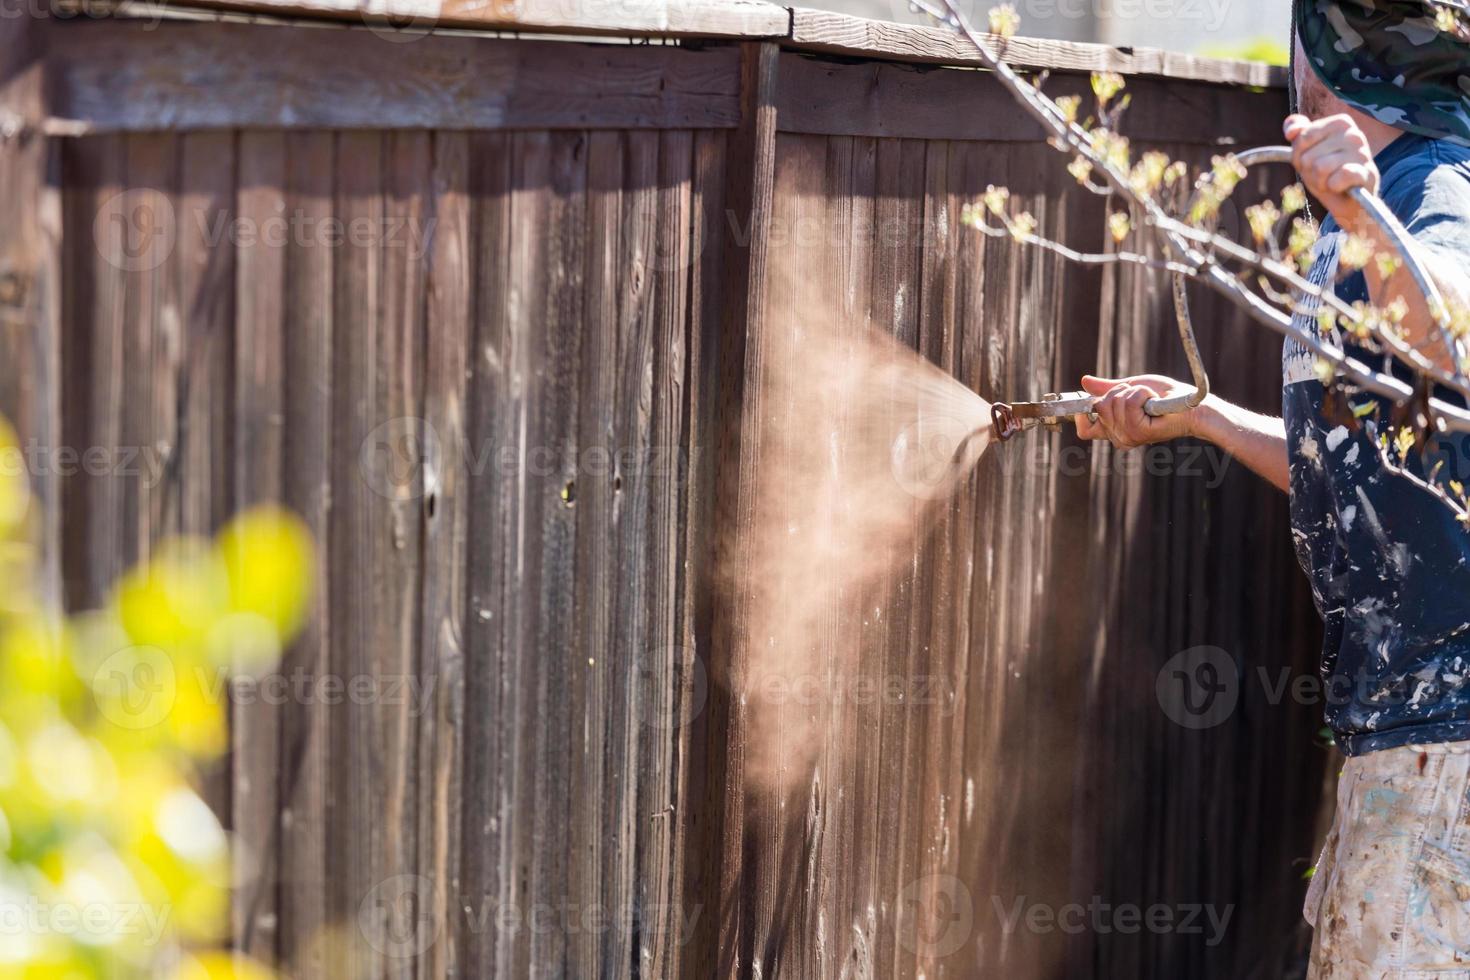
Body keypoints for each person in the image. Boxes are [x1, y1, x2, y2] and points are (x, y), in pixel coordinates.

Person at [1074, 0, 1470, 973]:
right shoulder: (1355, 218)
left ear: (1333, 52)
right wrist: (1201, 414)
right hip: (1394, 733)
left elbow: (1452, 343)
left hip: (1446, 743)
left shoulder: (1433, 189)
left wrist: (1366, 214)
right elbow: (1349, 473)